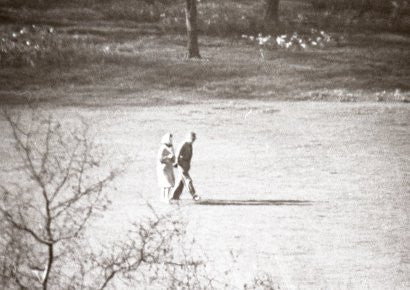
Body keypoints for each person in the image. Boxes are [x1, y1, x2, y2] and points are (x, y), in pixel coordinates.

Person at [171, 132, 200, 201]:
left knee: (181, 182)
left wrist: (188, 165)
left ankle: (174, 196)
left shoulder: (190, 145)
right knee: (188, 180)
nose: (193, 140)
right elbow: (177, 155)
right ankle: (194, 195)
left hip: (186, 166)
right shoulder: (183, 144)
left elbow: (189, 156)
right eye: (193, 138)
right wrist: (176, 163)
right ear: (189, 138)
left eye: (194, 139)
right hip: (181, 165)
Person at [157, 133, 175, 203]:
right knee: (166, 183)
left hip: (169, 167)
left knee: (169, 182)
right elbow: (160, 158)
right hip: (163, 168)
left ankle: (165, 197)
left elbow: (173, 158)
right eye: (170, 138)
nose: (171, 140)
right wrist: (168, 157)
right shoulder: (163, 147)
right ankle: (165, 198)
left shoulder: (171, 147)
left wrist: (172, 158)